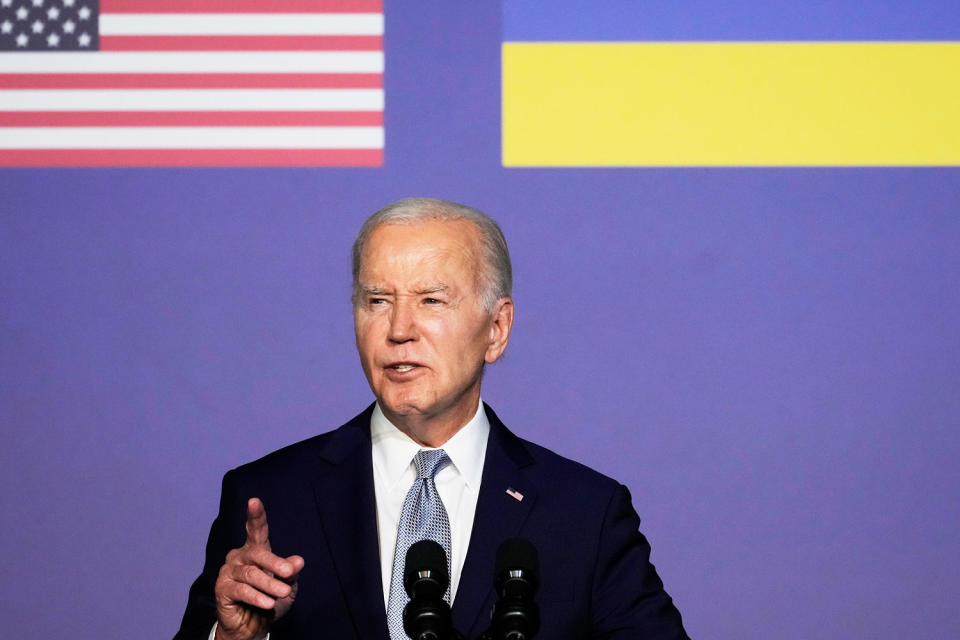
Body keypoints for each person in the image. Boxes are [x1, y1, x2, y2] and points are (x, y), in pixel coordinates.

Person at [175, 198, 689, 640]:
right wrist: (237, 637)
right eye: (377, 301)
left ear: (497, 328)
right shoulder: (271, 498)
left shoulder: (584, 514)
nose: (399, 329)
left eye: (431, 300)